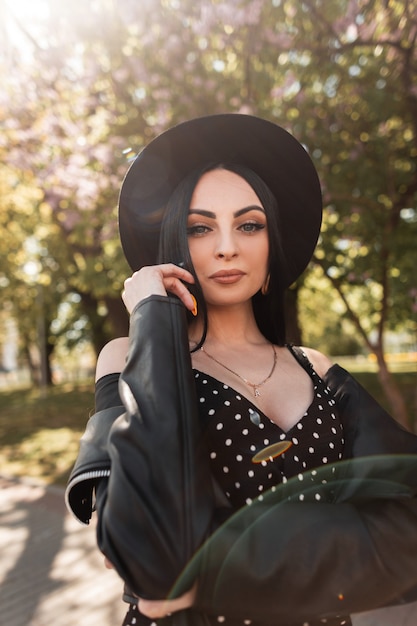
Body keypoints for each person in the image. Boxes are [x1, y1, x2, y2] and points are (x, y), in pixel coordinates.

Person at [66, 114, 417, 626]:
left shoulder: (316, 365)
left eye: (248, 225)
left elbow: (408, 520)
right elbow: (153, 554)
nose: (227, 246)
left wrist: (205, 567)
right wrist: (153, 319)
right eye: (200, 227)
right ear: (175, 245)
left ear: (272, 244)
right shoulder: (125, 357)